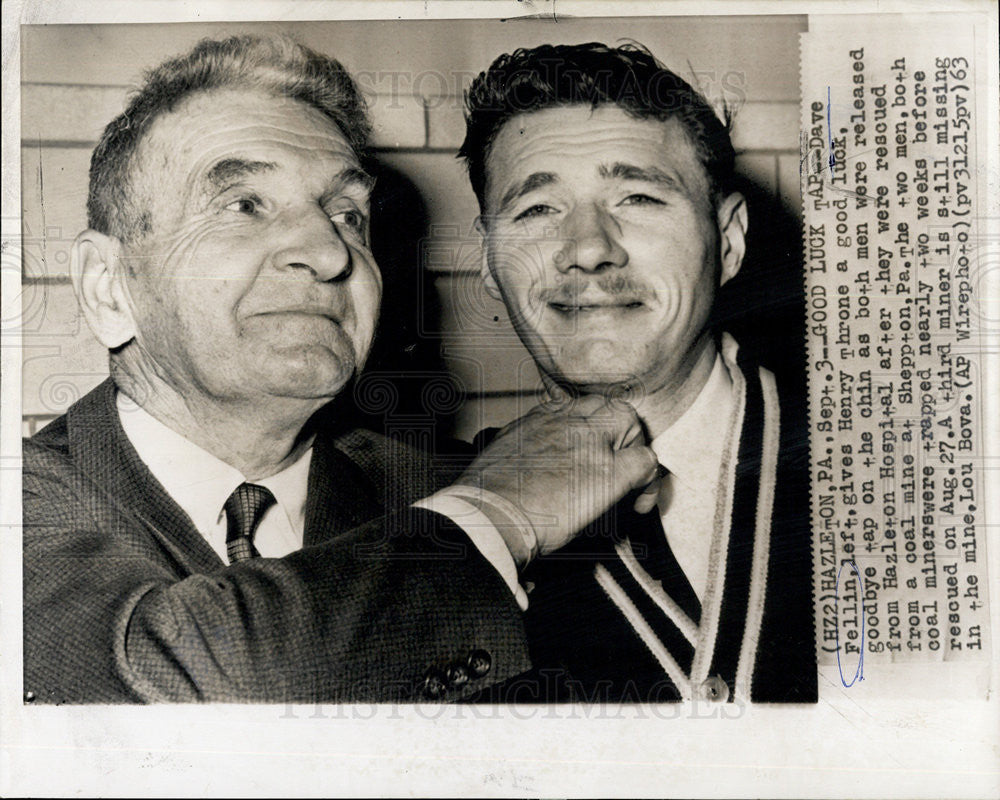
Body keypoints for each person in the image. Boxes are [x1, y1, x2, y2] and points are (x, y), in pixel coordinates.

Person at [21, 35, 659, 704]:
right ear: (107, 287)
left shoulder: (430, 484)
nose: (330, 252)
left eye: (347, 214)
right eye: (244, 204)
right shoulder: (25, 508)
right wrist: (490, 519)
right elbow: (177, 697)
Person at [459, 42, 817, 703]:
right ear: (487, 261)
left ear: (730, 241)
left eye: (639, 197)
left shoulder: (893, 466)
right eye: (537, 209)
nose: (588, 249)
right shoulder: (453, 521)